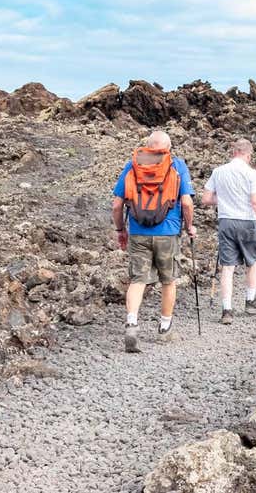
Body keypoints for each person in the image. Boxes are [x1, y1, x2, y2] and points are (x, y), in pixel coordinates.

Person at [111, 130, 196, 352]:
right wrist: (190, 227)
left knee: (138, 280)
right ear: (168, 148)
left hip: (139, 233)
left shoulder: (133, 165)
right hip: (168, 233)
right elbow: (186, 203)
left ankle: (131, 323)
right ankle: (165, 328)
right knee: (168, 281)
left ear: (148, 146)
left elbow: (117, 205)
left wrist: (121, 230)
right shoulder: (177, 166)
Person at [202, 138, 256, 325]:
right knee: (252, 261)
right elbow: (255, 201)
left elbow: (206, 199)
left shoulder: (218, 171)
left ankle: (227, 310)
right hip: (247, 222)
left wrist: (223, 200)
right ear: (248, 155)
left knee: (228, 267)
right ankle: (250, 301)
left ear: (233, 152)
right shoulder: (251, 173)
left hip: (226, 221)